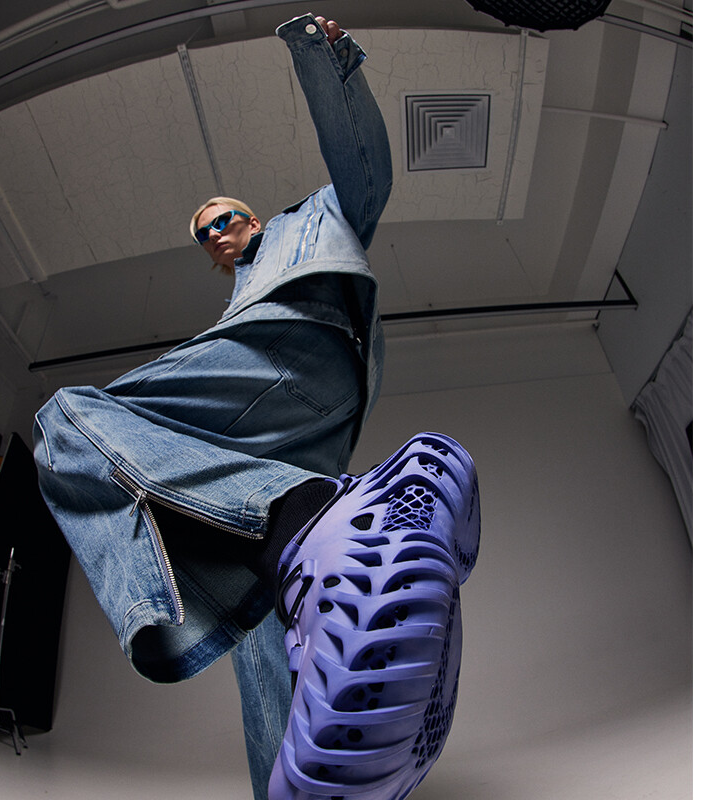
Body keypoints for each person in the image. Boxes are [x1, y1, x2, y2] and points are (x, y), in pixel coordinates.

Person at [33, 13, 480, 800]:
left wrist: (325, 59)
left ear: (254, 217)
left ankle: (303, 518)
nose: (216, 234)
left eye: (224, 218)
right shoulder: (232, 302)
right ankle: (309, 780)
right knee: (262, 630)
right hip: (290, 441)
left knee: (66, 420)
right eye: (205, 234)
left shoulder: (310, 225)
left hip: (296, 350)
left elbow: (365, 171)